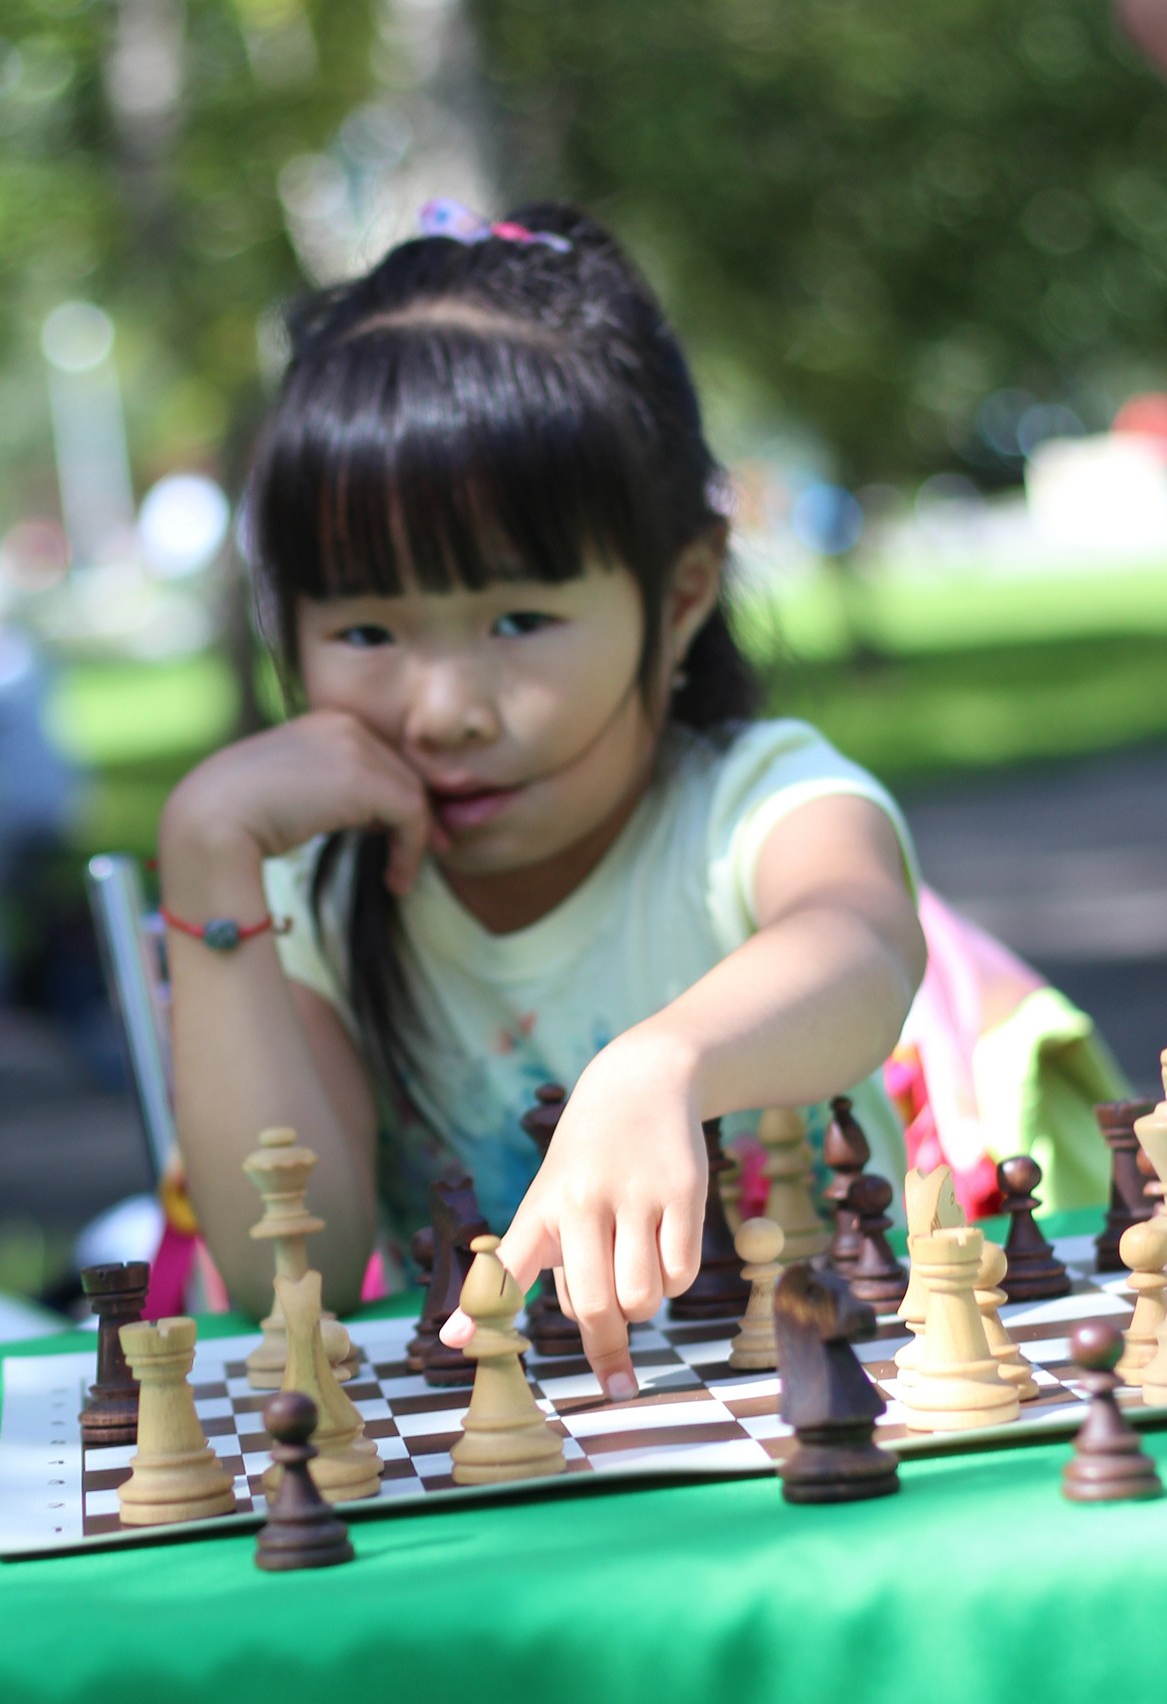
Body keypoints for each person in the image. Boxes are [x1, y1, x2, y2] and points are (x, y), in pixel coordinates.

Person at [158, 202, 928, 1402]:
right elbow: (285, 1271)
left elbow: (862, 949)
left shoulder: (758, 803)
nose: (447, 709)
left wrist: (667, 1060)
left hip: (823, 1423)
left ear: (679, 597)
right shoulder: (306, 901)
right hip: (501, 1467)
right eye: (366, 629)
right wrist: (208, 856)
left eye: (518, 619)